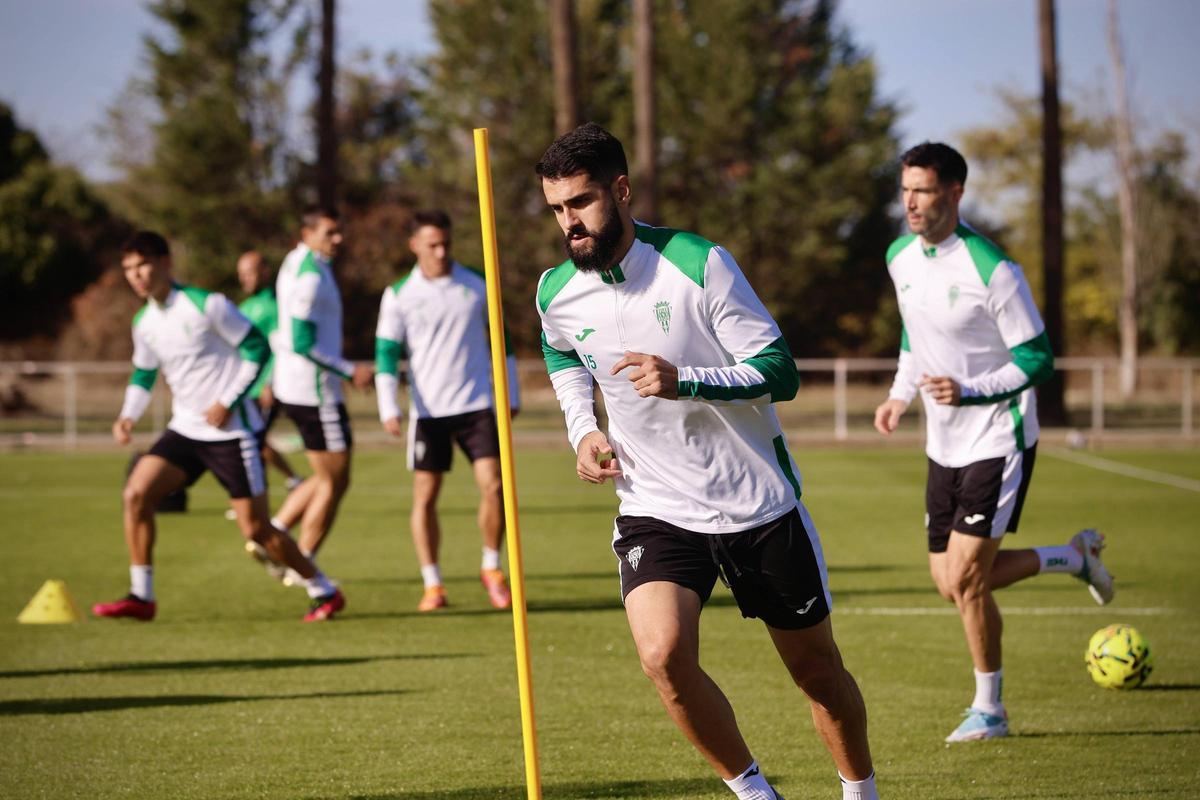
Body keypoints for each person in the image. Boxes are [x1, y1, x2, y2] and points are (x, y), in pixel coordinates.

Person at [535, 123, 879, 800]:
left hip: (755, 503)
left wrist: (685, 379)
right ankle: (755, 794)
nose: (568, 222)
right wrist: (583, 429)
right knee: (663, 656)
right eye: (556, 209)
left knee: (817, 675)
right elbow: (561, 353)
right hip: (654, 505)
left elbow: (780, 372)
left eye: (580, 202)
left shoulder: (699, 263)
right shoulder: (556, 291)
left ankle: (859, 791)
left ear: (620, 190)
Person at [873, 142, 1114, 743]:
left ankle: (991, 710)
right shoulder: (900, 256)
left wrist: (971, 391)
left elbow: (1038, 360)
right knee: (949, 582)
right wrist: (900, 395)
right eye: (905, 190)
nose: (910, 202)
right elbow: (914, 334)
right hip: (942, 443)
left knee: (967, 579)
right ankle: (1072, 558)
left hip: (998, 437)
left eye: (923, 190)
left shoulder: (993, 269)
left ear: (955, 193)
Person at [93, 231, 345, 623]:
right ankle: (142, 596)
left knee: (257, 530)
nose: (137, 275)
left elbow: (257, 348)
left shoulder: (206, 305)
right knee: (136, 494)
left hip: (232, 434)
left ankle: (323, 589)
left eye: (143, 265)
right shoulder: (144, 322)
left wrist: (227, 400)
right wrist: (128, 415)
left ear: (165, 263)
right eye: (129, 269)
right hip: (185, 429)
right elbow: (144, 373)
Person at [374, 210, 519, 611]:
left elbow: (501, 341)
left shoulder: (476, 284)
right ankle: (433, 584)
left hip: (477, 405)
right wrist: (388, 405)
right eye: (432, 245)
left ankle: (491, 566)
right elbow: (386, 353)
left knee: (494, 486)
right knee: (425, 497)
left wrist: (511, 394)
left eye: (446, 244)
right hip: (428, 413)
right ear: (414, 246)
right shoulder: (399, 294)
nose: (441, 252)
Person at [269, 208, 374, 566]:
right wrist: (349, 370)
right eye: (330, 232)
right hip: (315, 392)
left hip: (296, 386)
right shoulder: (310, 276)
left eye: (339, 231)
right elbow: (302, 342)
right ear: (307, 233)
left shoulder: (297, 262)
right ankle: (302, 564)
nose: (338, 239)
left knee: (327, 476)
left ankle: (274, 533)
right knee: (334, 481)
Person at [236, 250, 305, 492]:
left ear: (265, 273)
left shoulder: (275, 306)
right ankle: (290, 482)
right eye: (241, 274)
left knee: (253, 441)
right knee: (250, 442)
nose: (245, 279)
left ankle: (259, 497)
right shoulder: (245, 307)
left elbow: (280, 347)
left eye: (250, 273)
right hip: (244, 388)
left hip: (263, 387)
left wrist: (270, 382)